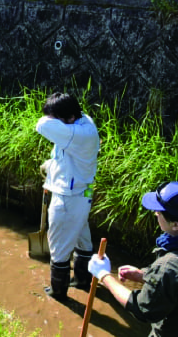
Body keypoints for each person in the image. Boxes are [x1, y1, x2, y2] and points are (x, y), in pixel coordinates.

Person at [88, 182, 178, 336]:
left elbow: (142, 309)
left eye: (159, 212)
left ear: (176, 225)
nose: (155, 213)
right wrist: (145, 275)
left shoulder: (169, 267)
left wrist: (104, 275)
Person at [36, 92, 100, 301]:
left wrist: (52, 119)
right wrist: (51, 166)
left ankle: (58, 292)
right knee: (82, 238)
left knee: (58, 248)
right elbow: (66, 152)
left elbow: (41, 125)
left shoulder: (76, 133)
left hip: (69, 197)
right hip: (83, 192)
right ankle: (83, 280)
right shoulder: (83, 121)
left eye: (59, 120)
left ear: (71, 118)